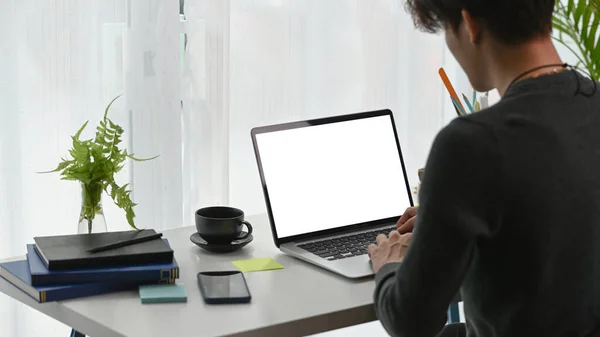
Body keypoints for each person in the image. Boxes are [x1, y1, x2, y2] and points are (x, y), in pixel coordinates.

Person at [367, 0, 600, 336]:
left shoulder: (471, 144)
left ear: (470, 24)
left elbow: (411, 322)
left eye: (447, 29)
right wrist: (448, 218)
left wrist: (388, 264)